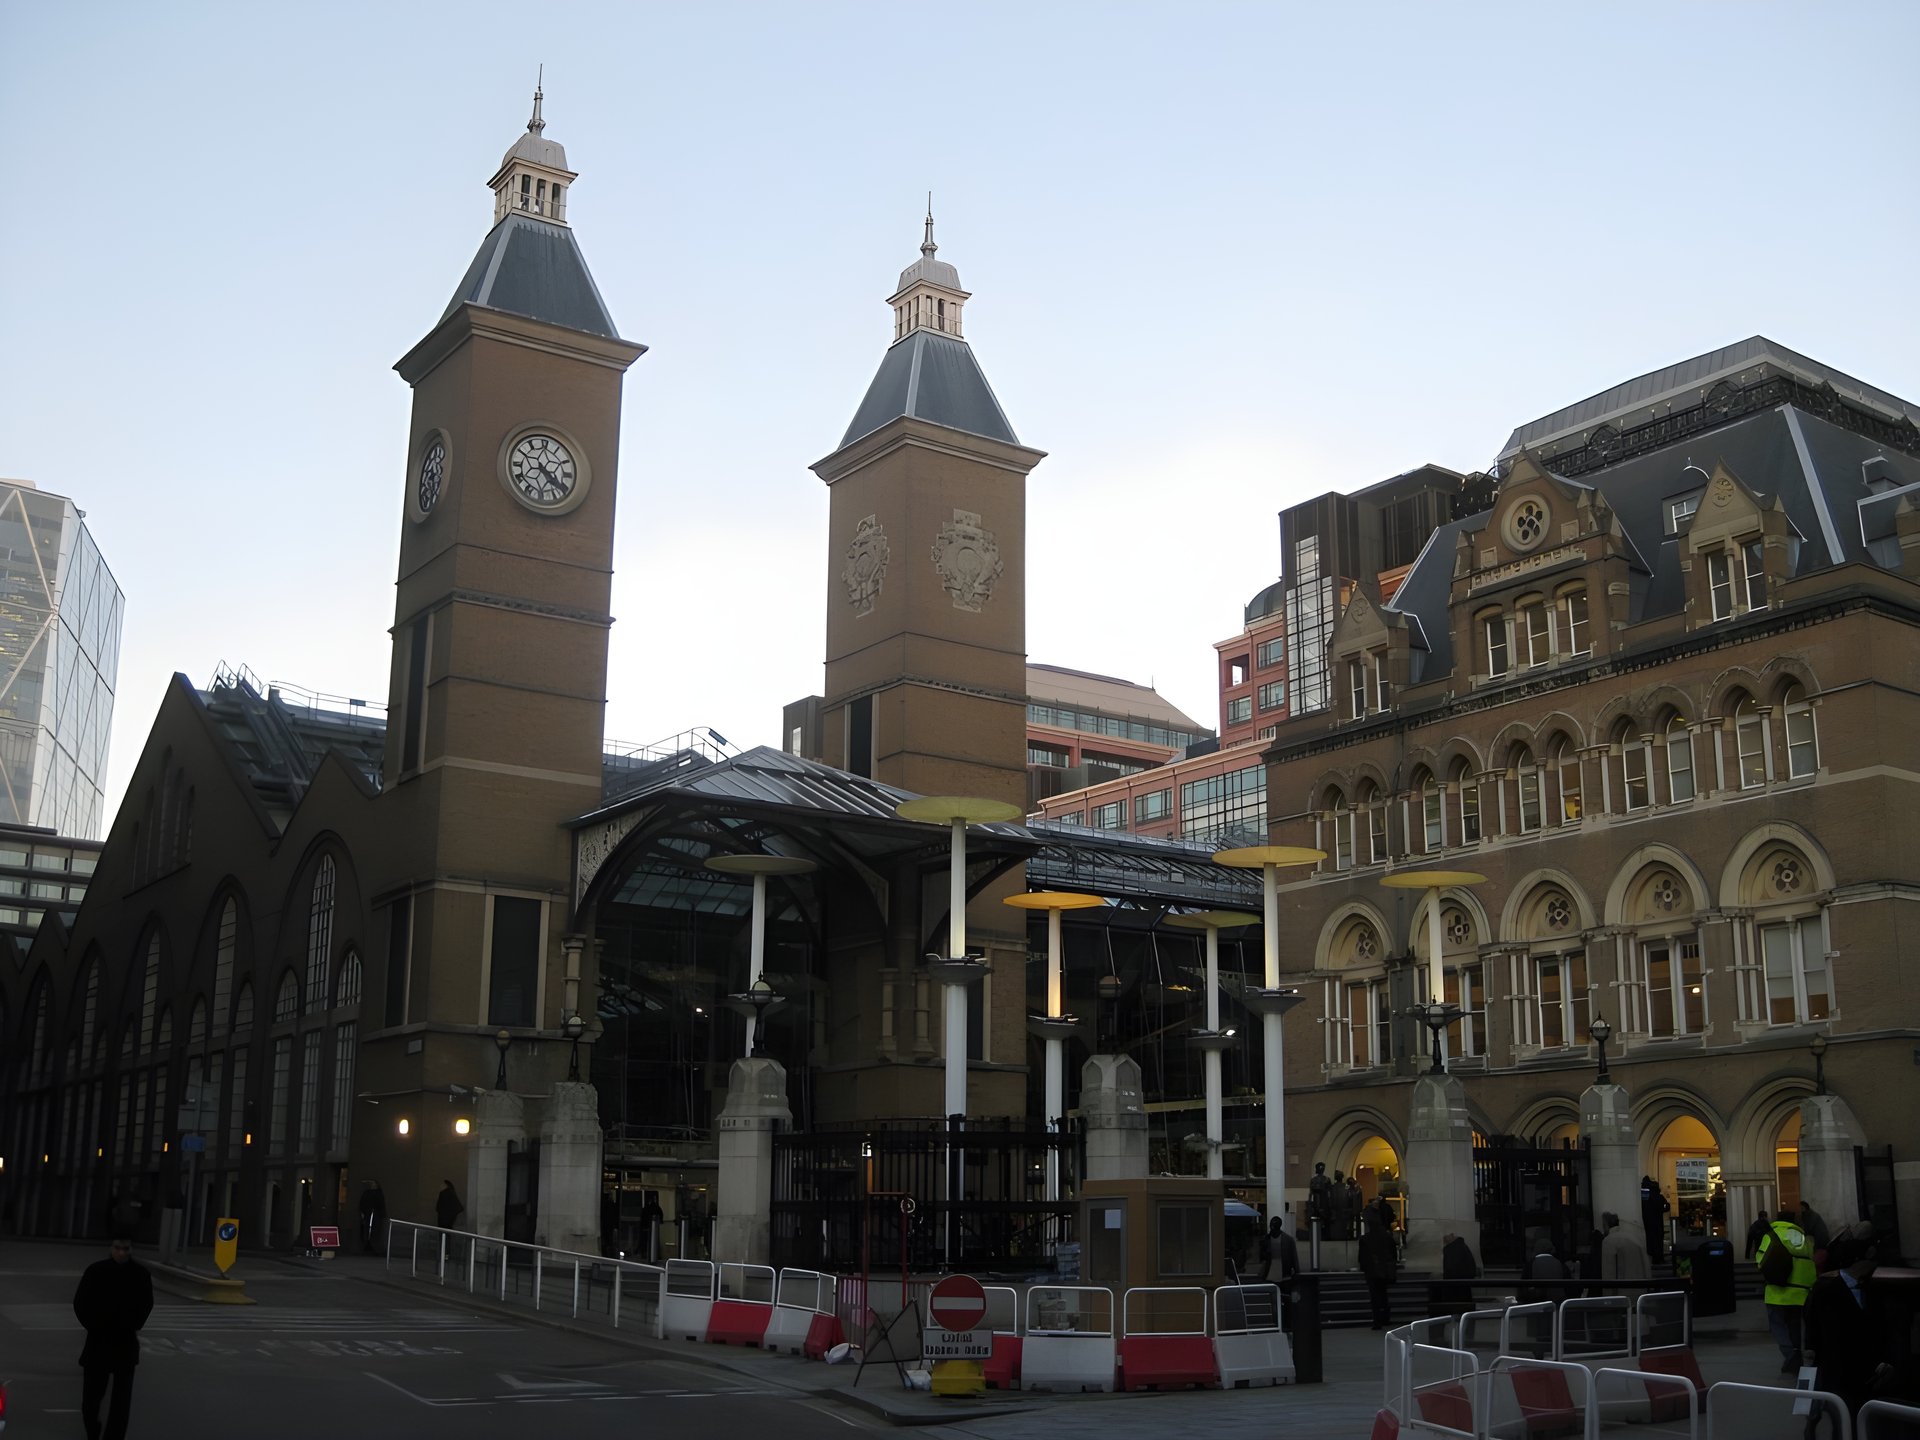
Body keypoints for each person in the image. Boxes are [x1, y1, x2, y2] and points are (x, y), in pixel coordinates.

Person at [1803, 1222, 1893, 1432]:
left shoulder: (1873, 1288)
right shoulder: (1825, 1290)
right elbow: (1812, 1332)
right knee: (1844, 1421)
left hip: (1866, 1371)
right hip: (1837, 1370)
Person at [73, 1232, 154, 1440]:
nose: (121, 1253)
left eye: (125, 1249)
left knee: (120, 1403)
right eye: (117, 1248)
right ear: (111, 1248)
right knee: (90, 1401)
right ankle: (94, 1432)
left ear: (131, 1250)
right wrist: (93, 1324)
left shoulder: (139, 1274)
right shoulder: (96, 1271)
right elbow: (80, 1302)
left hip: (123, 1343)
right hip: (99, 1341)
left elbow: (146, 1304)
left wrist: (133, 1324)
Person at [1754, 1210, 1816, 1372]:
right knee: (1795, 1325)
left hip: (1777, 1291)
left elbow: (1761, 1260)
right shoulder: (1803, 1238)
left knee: (1778, 1325)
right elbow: (1810, 1261)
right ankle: (1796, 1352)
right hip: (1801, 1291)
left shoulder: (1772, 1235)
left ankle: (1790, 1356)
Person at [1358, 1210, 1398, 1329]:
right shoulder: (1387, 1237)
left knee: (1374, 1297)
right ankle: (1386, 1318)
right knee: (1383, 1295)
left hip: (1372, 1271)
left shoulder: (1365, 1239)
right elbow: (1393, 1254)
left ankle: (1377, 1321)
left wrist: (1363, 1268)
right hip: (1385, 1270)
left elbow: (1362, 1257)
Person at [1260, 1214, 1300, 1329]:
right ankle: (1277, 1322)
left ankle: (1286, 1323)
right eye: (1271, 1226)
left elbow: (1294, 1257)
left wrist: (1296, 1273)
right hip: (1271, 1273)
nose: (1272, 1229)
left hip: (1285, 1275)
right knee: (1274, 1301)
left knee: (1285, 1301)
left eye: (1274, 1226)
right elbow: (1262, 1256)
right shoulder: (1266, 1239)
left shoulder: (1288, 1240)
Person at [1436, 1231, 1479, 1317]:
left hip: (1454, 1288)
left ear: (1451, 1235)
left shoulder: (1452, 1249)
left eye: (1445, 1236)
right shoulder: (1462, 1247)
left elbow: (1450, 1269)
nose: (1443, 1239)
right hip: (1462, 1286)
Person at [1601, 1211, 1651, 1281]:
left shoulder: (1608, 1241)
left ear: (1606, 1225)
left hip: (1623, 1289)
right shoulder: (1634, 1238)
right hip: (1641, 1286)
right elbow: (1646, 1266)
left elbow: (1609, 1272)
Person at [1640, 1176, 1670, 1264]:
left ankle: (1653, 1257)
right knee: (1658, 1240)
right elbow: (1666, 1206)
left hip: (1647, 1222)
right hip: (1657, 1222)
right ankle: (1658, 1258)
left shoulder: (1644, 1196)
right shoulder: (1657, 1196)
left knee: (1651, 1240)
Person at [358, 1179, 387, 1253]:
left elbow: (381, 1204)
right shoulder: (367, 1193)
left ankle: (373, 1246)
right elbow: (362, 1203)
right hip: (368, 1214)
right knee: (367, 1230)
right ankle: (367, 1244)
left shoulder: (378, 1193)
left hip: (375, 1215)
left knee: (375, 1231)